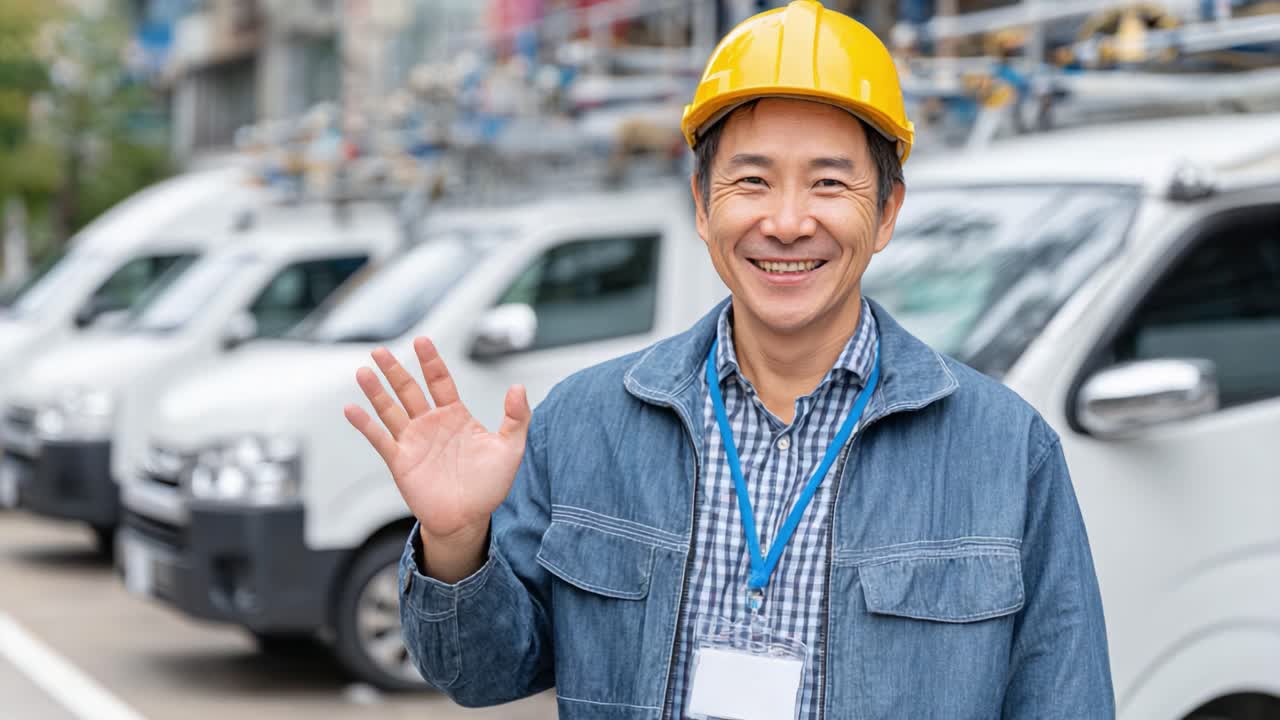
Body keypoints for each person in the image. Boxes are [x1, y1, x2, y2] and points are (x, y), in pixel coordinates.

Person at [344, 2, 1114, 717]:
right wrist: (454, 543)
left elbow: (1067, 698)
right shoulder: (584, 424)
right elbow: (483, 673)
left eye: (828, 182)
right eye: (751, 180)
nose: (785, 221)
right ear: (702, 205)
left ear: (885, 212)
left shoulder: (1005, 450)